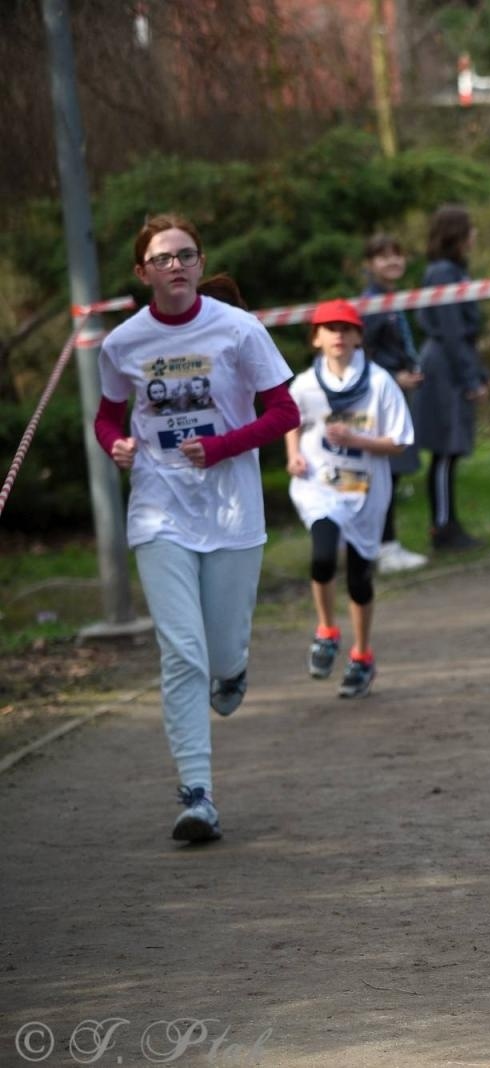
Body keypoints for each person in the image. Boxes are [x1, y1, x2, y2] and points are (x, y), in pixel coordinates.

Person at [93, 213, 299, 842]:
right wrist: (118, 446)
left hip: (232, 510)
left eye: (186, 255)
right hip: (159, 508)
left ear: (201, 264)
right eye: (163, 258)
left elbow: (285, 410)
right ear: (143, 272)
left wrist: (223, 446)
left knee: (220, 649)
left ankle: (232, 669)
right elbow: (107, 417)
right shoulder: (122, 343)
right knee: (181, 652)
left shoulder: (238, 329)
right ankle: (197, 793)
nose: (175, 266)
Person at [285, 300, 415, 698]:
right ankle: (326, 630)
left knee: (360, 578)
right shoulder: (305, 384)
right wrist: (293, 453)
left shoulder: (379, 383)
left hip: (365, 492)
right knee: (322, 557)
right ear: (317, 338)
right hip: (319, 486)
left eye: (346, 328)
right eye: (329, 328)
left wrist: (357, 440)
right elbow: (291, 420)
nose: (338, 335)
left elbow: (398, 442)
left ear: (359, 336)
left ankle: (362, 655)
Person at [414, 205, 489, 551]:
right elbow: (452, 329)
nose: (475, 235)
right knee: (445, 451)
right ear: (456, 234)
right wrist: (470, 378)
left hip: (453, 362)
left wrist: (478, 371)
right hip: (444, 368)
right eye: (470, 228)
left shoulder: (456, 271)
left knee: (452, 451)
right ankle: (443, 529)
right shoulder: (443, 272)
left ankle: (449, 523)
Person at [360, 233, 429, 573]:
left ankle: (384, 545)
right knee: (384, 473)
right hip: (380, 399)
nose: (392, 262)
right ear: (369, 264)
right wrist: (394, 375)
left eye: (397, 255)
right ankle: (382, 548)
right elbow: (364, 354)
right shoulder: (372, 305)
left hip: (396, 394)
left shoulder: (391, 299)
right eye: (383, 256)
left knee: (392, 474)